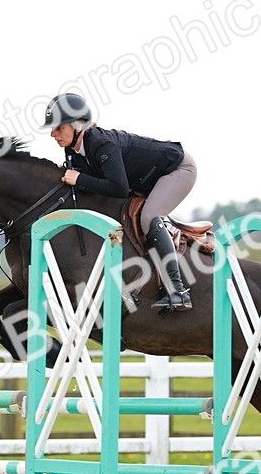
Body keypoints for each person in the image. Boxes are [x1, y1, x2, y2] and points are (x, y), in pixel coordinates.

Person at [42, 93, 195, 311]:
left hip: (178, 169)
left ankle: (178, 291)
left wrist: (80, 178)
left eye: (58, 127)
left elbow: (118, 188)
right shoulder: (72, 150)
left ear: (78, 124)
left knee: (149, 217)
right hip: (145, 181)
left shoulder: (102, 144)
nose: (52, 134)